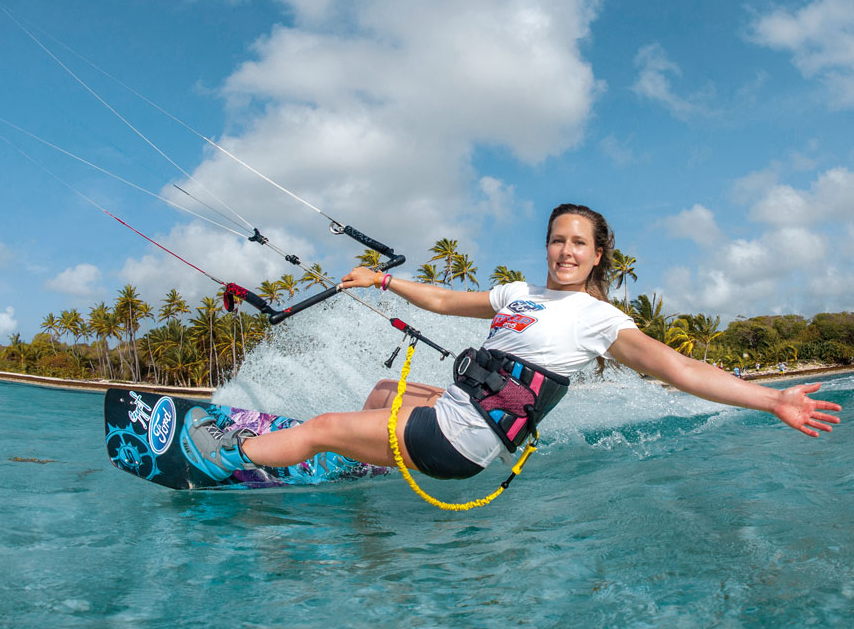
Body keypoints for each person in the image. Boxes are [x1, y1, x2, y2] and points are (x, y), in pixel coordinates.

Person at [184, 203, 842, 481]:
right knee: (384, 391)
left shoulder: (598, 320)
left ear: (597, 254)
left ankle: (229, 457)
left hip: (465, 439)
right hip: (456, 415)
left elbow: (679, 368)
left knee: (328, 423)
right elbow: (444, 300)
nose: (565, 250)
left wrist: (768, 400)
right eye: (558, 239)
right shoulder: (519, 294)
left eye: (578, 243)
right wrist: (384, 279)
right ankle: (365, 459)